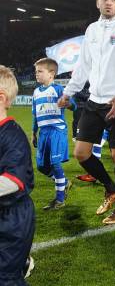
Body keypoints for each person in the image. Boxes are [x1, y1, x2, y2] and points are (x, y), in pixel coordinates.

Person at [58, 0, 115, 225]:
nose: (109, 2)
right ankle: (110, 188)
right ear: (97, 3)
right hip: (94, 100)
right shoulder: (92, 30)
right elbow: (83, 66)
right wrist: (68, 92)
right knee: (81, 153)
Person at [0, 66, 39, 286]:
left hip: (13, 219)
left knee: (2, 285)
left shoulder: (12, 135)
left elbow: (12, 182)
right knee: (9, 281)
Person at [31, 58, 75, 210]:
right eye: (36, 71)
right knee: (42, 167)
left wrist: (67, 103)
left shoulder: (58, 89)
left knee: (55, 163)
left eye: (40, 71)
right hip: (43, 133)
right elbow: (35, 115)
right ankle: (65, 182)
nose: (36, 74)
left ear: (51, 74)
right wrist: (33, 133)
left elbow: (73, 105)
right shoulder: (36, 93)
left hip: (57, 131)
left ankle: (60, 199)